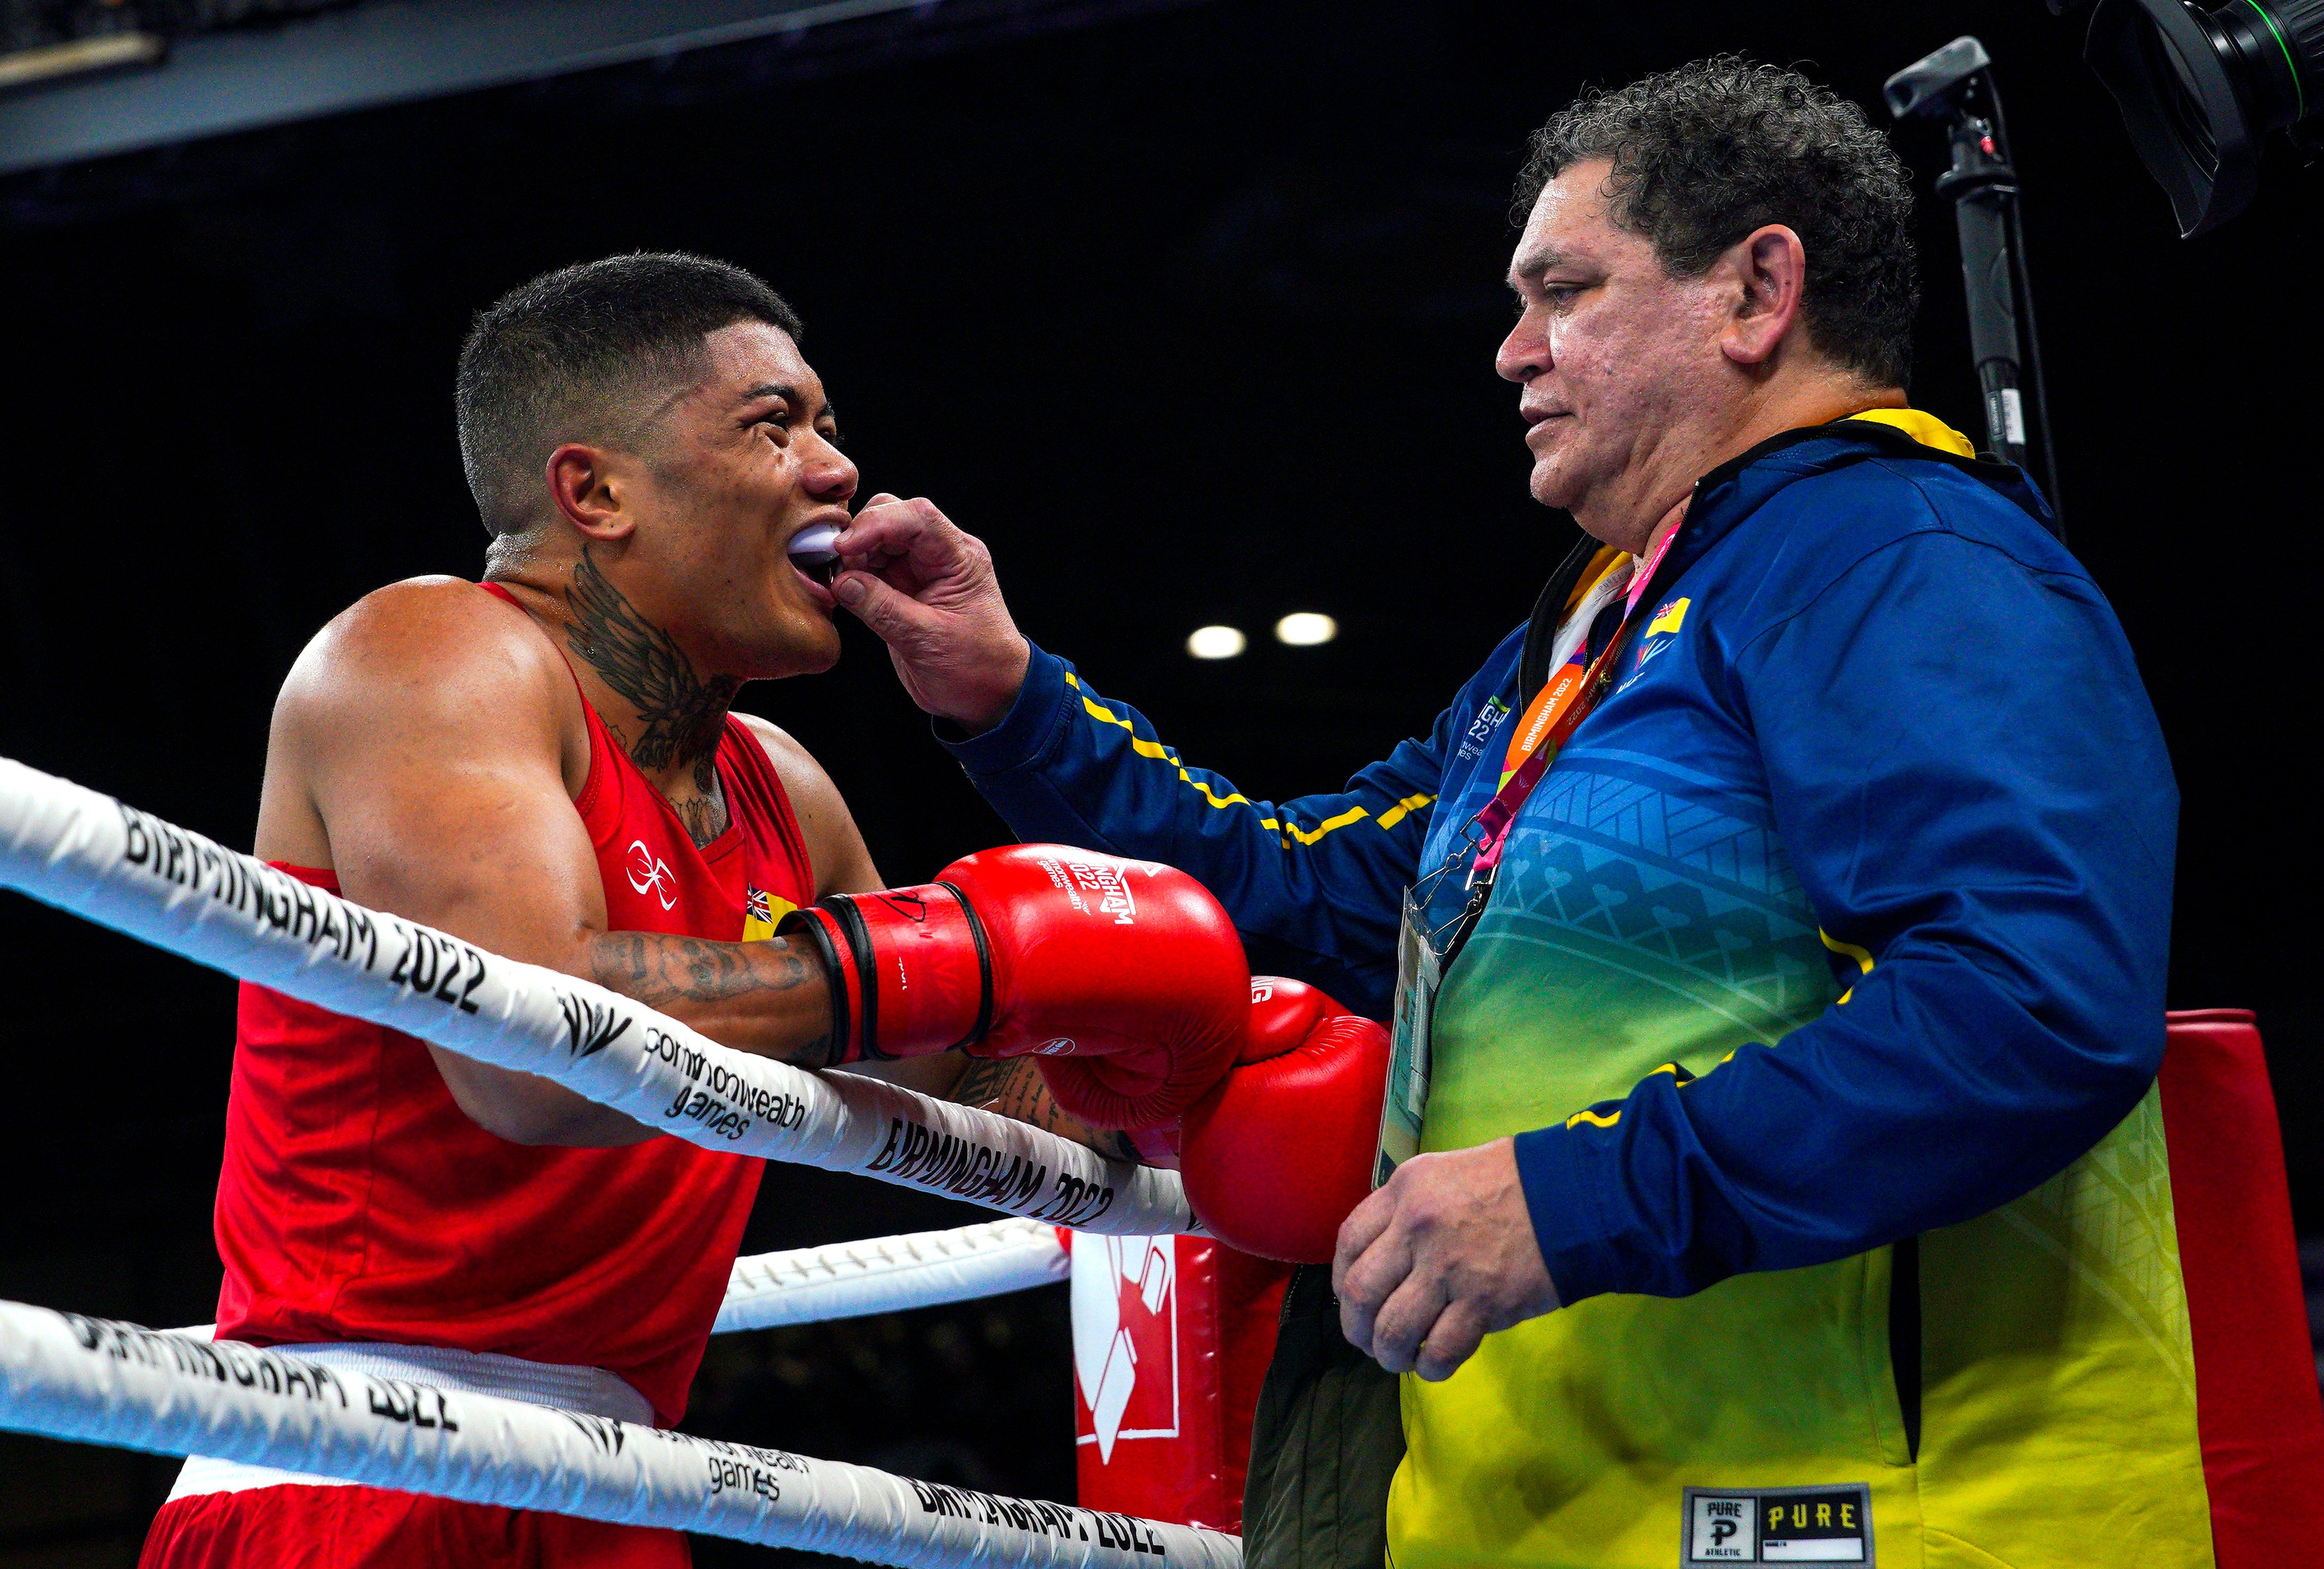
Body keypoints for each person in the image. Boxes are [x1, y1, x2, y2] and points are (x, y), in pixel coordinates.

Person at [830, 58, 2201, 1569]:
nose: (1509, 353)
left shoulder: (1894, 553)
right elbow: (1285, 887)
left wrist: (1571, 1193)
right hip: (1550, 1516)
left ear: (1752, 293)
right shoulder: (1585, 633)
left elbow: (2027, 1003)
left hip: (1886, 1520)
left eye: (1562, 292)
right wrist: (1002, 691)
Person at [139, 252, 1253, 1568]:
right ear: (595, 491)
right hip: (358, 1469)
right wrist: (906, 963)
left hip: (617, 1482)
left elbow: (971, 1067)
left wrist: (1209, 1104)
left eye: (829, 426)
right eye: (772, 425)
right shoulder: (428, 653)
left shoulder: (778, 785)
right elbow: (530, 1056)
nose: (836, 469)